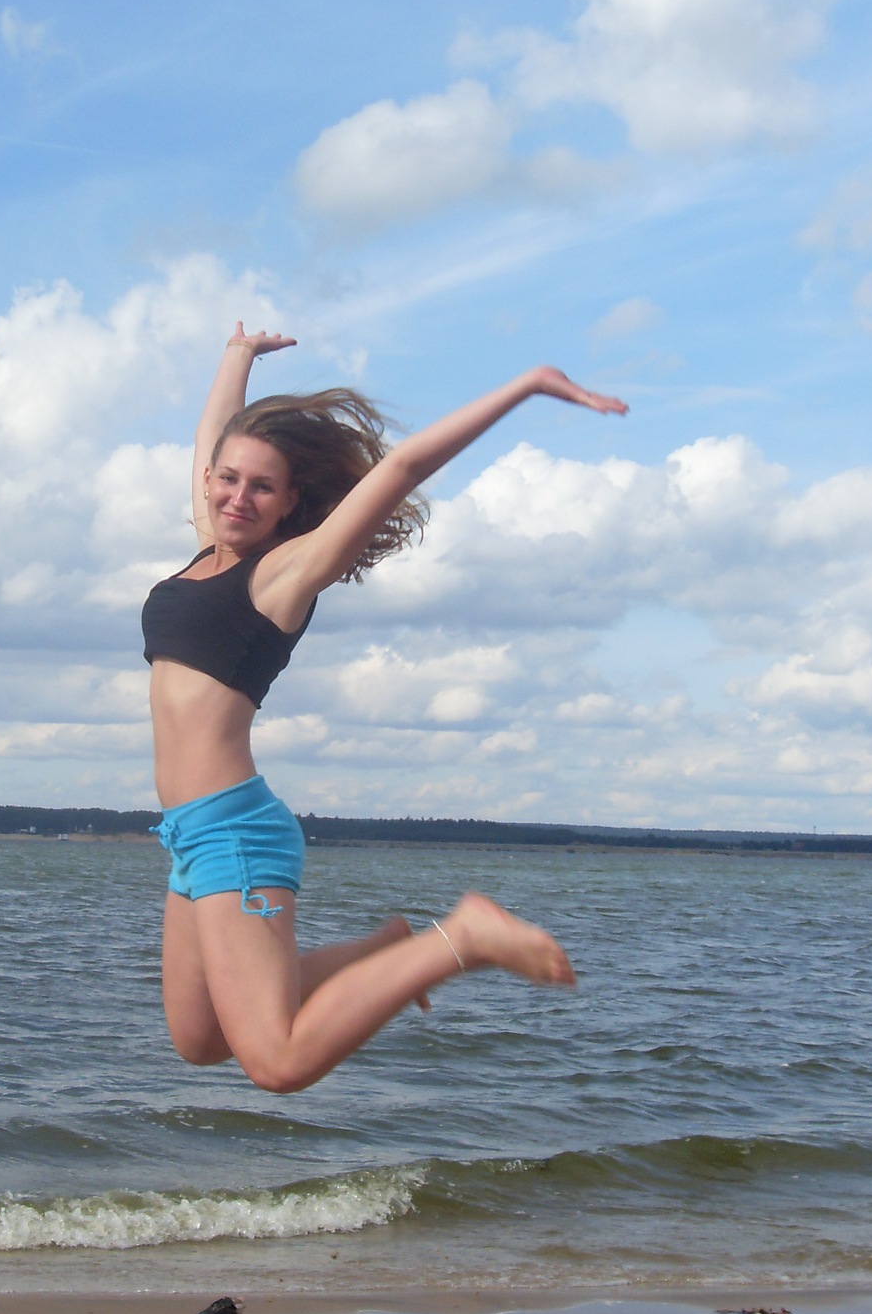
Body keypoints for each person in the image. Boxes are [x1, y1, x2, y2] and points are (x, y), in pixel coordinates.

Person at [141, 324, 627, 1093]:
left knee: (276, 1061)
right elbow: (214, 436)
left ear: (289, 501)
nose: (239, 496)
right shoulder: (208, 549)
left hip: (234, 832)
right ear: (207, 481)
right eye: (227, 479)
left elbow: (401, 466)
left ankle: (461, 938)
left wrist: (526, 384)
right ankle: (381, 950)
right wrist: (237, 356)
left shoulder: (283, 574)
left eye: (261, 487)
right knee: (200, 1039)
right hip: (188, 833)